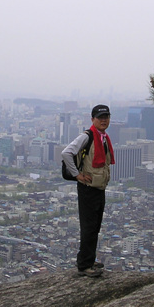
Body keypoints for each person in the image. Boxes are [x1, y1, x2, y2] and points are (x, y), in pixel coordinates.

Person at [61, 104, 115, 277]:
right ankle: (84, 265)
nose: (104, 120)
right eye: (100, 117)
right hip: (88, 188)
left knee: (95, 226)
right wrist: (77, 175)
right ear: (92, 119)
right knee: (89, 227)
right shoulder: (88, 136)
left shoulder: (103, 137)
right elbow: (66, 153)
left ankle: (89, 259)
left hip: (98, 187)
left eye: (106, 116)